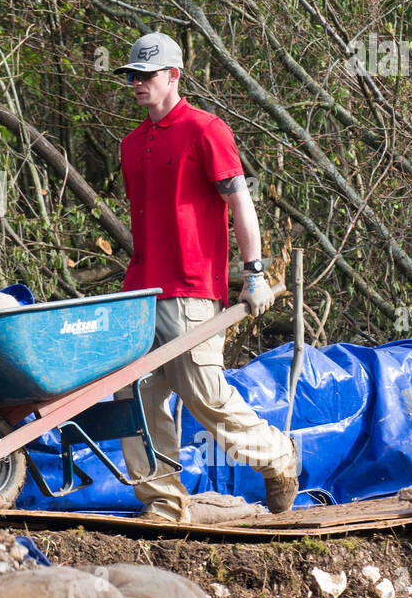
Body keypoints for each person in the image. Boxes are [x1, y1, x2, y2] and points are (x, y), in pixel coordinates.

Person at [113, 31, 298, 523]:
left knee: (203, 393)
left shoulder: (206, 130)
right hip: (142, 291)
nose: (137, 83)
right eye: (131, 75)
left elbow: (240, 201)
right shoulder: (131, 145)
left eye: (146, 75)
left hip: (191, 289)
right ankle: (164, 505)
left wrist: (253, 272)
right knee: (134, 396)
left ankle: (277, 456)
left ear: (173, 75)